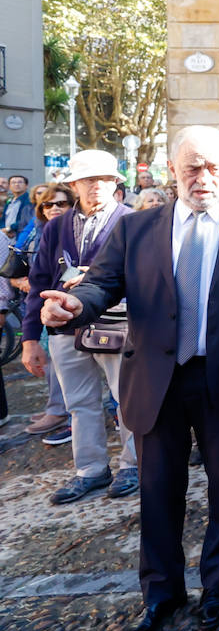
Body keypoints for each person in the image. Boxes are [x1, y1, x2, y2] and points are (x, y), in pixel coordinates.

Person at [39, 124, 219, 631]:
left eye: (213, 168)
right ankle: (161, 592)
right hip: (154, 379)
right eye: (192, 167)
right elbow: (101, 283)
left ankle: (217, 586)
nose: (203, 178)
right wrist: (76, 304)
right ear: (173, 170)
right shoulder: (138, 228)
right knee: (159, 491)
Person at [21, 152, 139, 503]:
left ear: (116, 183)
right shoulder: (56, 226)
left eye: (105, 179)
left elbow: (150, 278)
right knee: (79, 403)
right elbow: (39, 280)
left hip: (115, 324)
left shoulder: (132, 222)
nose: (97, 186)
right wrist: (29, 339)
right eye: (89, 180)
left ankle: (133, 465)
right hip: (62, 329)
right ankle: (91, 470)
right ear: (74, 185)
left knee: (127, 400)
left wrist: (100, 280)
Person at [17, 184, 73, 441]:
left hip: (73, 310)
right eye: (48, 204)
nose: (54, 209)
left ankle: (63, 412)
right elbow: (37, 275)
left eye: (61, 203)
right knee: (52, 363)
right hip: (43, 307)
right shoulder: (40, 229)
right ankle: (58, 409)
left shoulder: (73, 230)